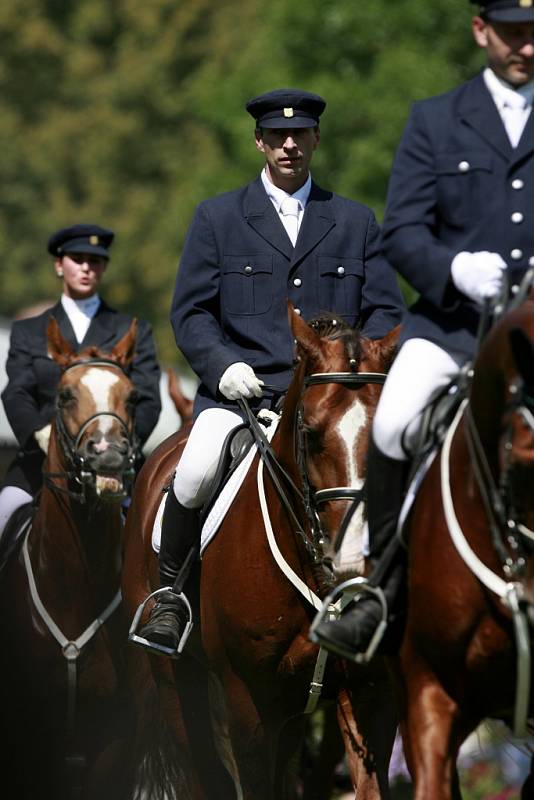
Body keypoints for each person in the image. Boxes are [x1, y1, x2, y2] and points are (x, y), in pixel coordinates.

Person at [136, 88, 405, 654]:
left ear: (315, 139)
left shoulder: (354, 221)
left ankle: (395, 599)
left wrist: (356, 359)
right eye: (278, 137)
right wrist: (222, 365)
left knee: (399, 475)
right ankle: (170, 597)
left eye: (301, 134)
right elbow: (190, 313)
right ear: (260, 142)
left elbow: (386, 312)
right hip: (243, 398)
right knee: (193, 472)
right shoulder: (218, 218)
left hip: (331, 404)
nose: (290, 144)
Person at [312, 0, 534, 661]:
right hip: (455, 328)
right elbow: (403, 232)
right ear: (480, 31)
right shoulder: (436, 120)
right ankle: (377, 587)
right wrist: (455, 269)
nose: (525, 46)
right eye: (512, 33)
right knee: (391, 423)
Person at [0, 223, 162, 538]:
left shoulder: (132, 330)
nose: (86, 267)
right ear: (59, 265)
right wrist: (39, 433)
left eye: (95, 261)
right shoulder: (28, 331)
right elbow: (16, 393)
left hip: (116, 464)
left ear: (103, 268)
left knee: (157, 534)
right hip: (42, 462)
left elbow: (148, 401)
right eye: (77, 259)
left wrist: (120, 449)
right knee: (4, 514)